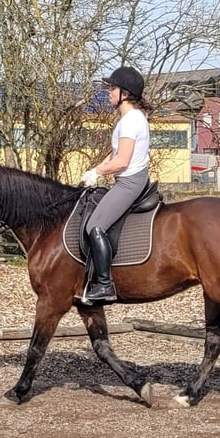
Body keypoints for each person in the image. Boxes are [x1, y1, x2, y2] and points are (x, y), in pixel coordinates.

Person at [80, 66, 152, 303]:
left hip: (129, 182)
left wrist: (98, 172)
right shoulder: (129, 119)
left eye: (112, 88)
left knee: (95, 226)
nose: (108, 92)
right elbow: (114, 155)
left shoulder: (131, 121)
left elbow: (121, 161)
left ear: (125, 93)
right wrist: (94, 170)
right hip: (130, 178)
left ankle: (104, 284)